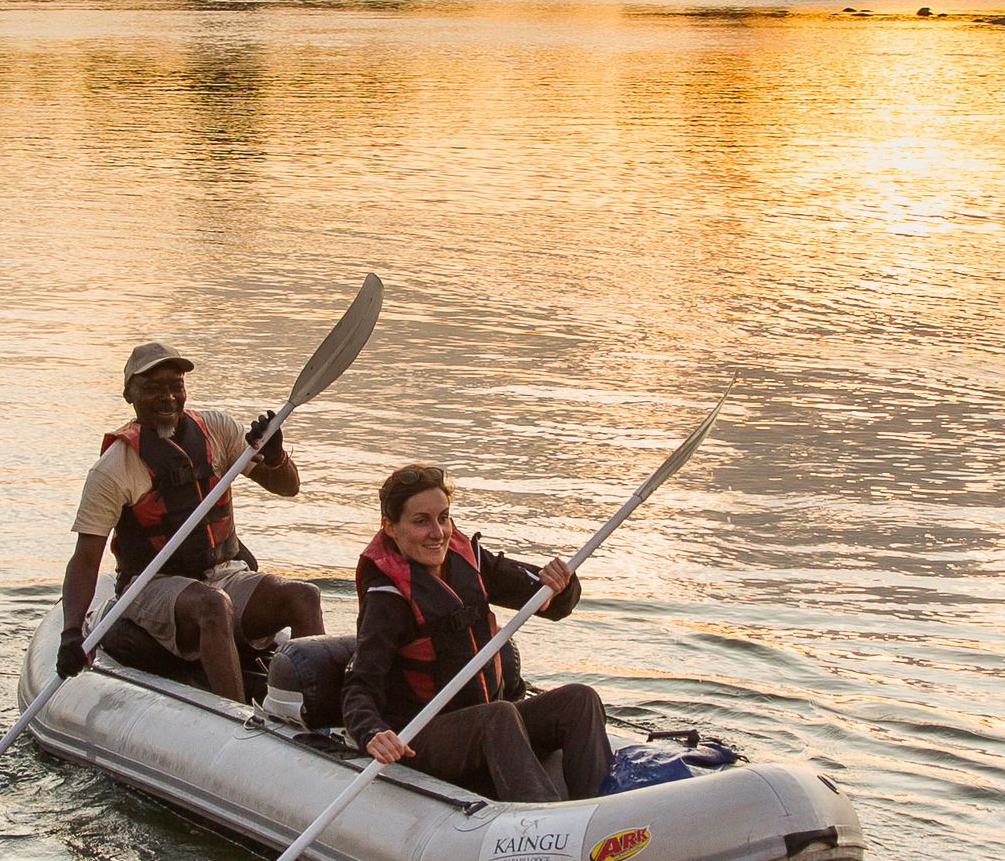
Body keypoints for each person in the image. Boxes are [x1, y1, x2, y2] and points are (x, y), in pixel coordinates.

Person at [55, 341, 325, 702]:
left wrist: (274, 457)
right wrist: (72, 631)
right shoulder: (113, 469)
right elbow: (86, 558)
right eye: (152, 388)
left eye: (175, 386)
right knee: (212, 605)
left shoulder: (218, 430)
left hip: (223, 573)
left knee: (303, 596)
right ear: (129, 395)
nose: (167, 397)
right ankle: (235, 716)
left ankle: (322, 708)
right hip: (151, 584)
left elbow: (287, 487)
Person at [340, 462, 611, 803]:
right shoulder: (387, 596)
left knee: (579, 699)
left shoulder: (469, 559)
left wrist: (562, 586)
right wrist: (372, 731)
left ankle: (601, 808)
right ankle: (542, 819)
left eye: (443, 517)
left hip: (490, 720)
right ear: (390, 527)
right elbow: (359, 684)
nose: (438, 532)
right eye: (421, 521)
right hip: (423, 738)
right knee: (498, 716)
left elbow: (549, 603)